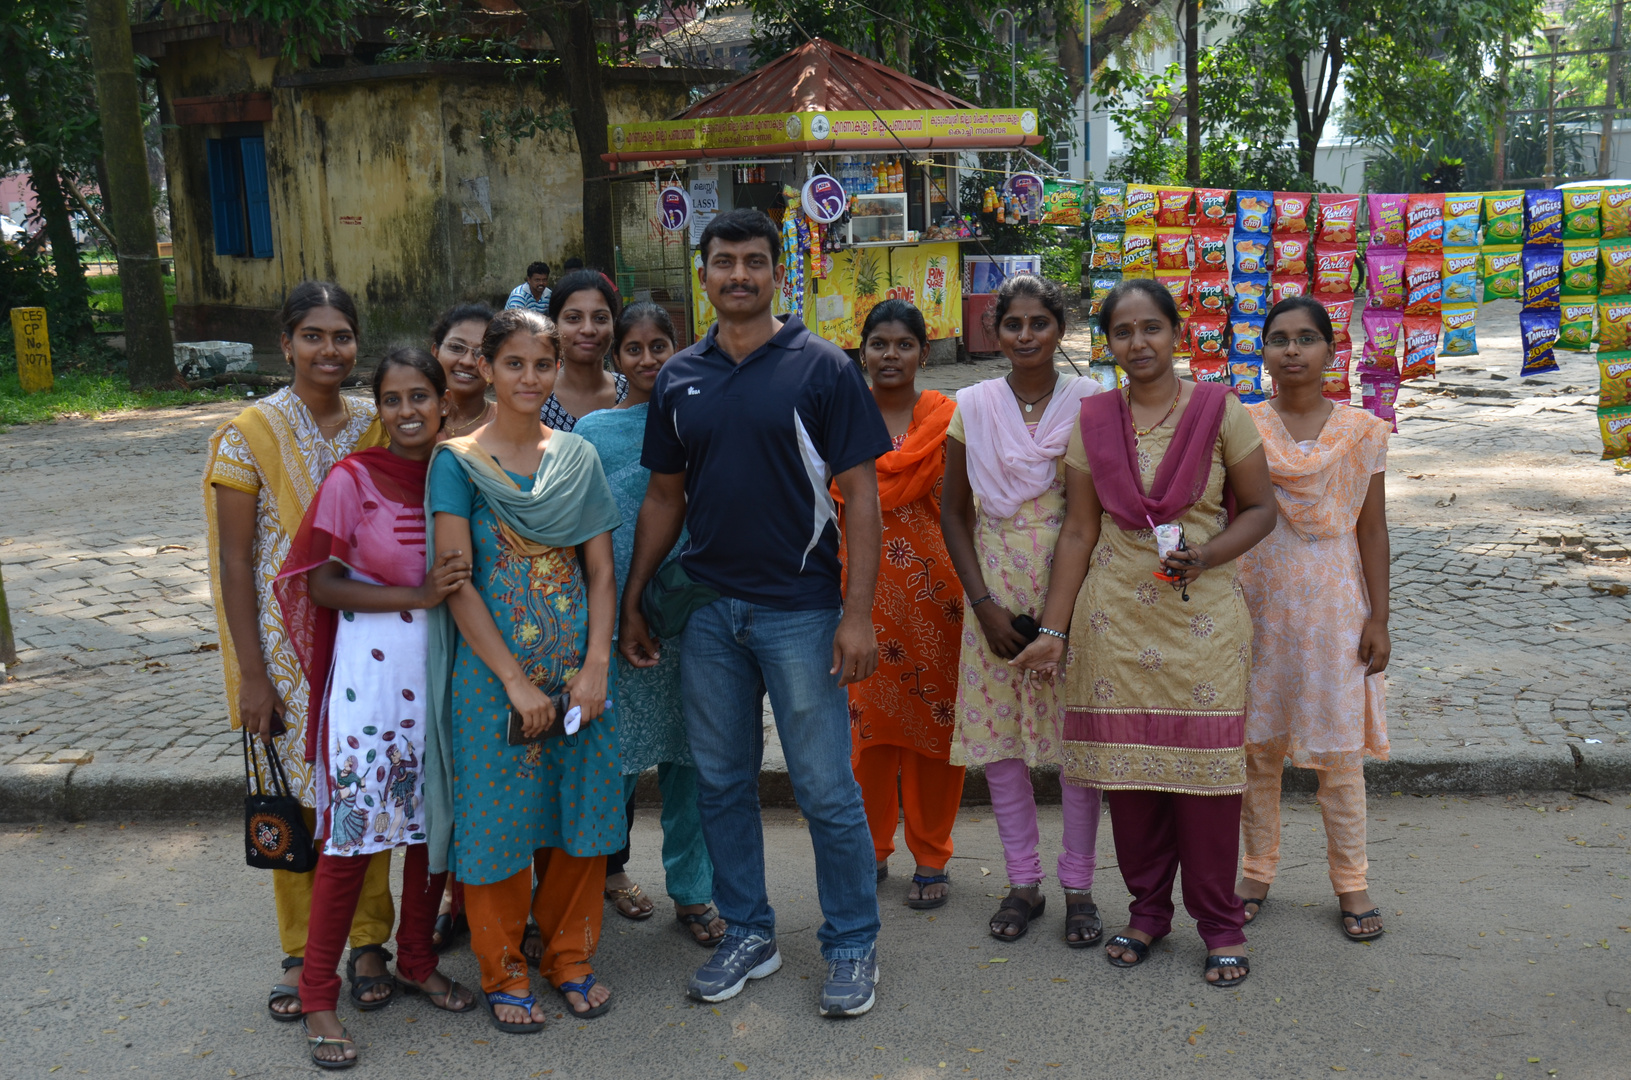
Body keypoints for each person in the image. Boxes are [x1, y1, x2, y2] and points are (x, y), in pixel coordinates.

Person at [618, 208, 890, 1017]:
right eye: (723, 262)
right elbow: (665, 497)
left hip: (801, 612)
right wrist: (635, 599)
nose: (738, 275)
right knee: (722, 784)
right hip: (706, 613)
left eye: (753, 262)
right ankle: (748, 931)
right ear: (702, 274)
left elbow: (862, 499)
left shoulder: (821, 367)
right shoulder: (679, 377)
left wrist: (858, 614)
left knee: (823, 788)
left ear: (777, 273)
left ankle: (850, 943)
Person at [1012, 277, 1277, 987]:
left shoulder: (1222, 411)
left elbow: (1258, 510)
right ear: (1109, 343)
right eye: (1123, 332)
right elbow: (1077, 529)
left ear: (1175, 332)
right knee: (1129, 781)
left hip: (1204, 619)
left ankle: (1219, 924)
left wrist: (1209, 553)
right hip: (1114, 621)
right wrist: (1054, 629)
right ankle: (1147, 914)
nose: (1138, 343)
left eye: (1150, 328)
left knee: (1208, 785)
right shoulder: (1094, 420)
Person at [422, 307, 626, 1032]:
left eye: (542, 365)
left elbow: (599, 572)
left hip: (578, 672)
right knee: (499, 825)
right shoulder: (458, 461)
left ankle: (569, 959)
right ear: (486, 368)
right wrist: (513, 680)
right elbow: (455, 580)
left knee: (581, 817)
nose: (530, 378)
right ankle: (504, 970)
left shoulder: (576, 458)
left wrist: (596, 664)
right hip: (491, 679)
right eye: (514, 364)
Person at [274, 349, 477, 1067]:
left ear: (443, 400)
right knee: (351, 841)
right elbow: (320, 584)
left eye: (419, 395)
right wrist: (415, 595)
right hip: (371, 685)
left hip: (445, 675)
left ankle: (416, 960)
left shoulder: (458, 475)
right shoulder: (351, 478)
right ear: (378, 409)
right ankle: (319, 992)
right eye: (391, 400)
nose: (407, 412)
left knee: (431, 827)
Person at [205, 282, 398, 1024]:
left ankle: (369, 940)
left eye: (342, 336)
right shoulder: (246, 434)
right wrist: (253, 674)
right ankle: (298, 949)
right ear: (285, 344)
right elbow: (232, 562)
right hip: (285, 654)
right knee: (296, 800)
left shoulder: (375, 427)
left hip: (365, 641)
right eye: (313, 336)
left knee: (368, 789)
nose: (329, 350)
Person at [939, 274, 1106, 948]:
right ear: (995, 331)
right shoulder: (970, 405)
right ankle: (1022, 883)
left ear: (1058, 328)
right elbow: (953, 512)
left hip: (1069, 593)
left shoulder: (1090, 404)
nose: (1027, 335)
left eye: (1040, 323)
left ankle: (1077, 887)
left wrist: (1059, 617)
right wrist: (982, 606)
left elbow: (1089, 517)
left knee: (1076, 750)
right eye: (1014, 324)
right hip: (992, 595)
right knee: (1002, 750)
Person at [1233, 296, 1392, 942]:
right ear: (1263, 351)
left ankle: (1351, 882)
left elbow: (1373, 530)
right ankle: (1253, 870)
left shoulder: (1361, 432)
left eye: (1306, 339)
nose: (1292, 351)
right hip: (1256, 600)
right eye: (1278, 339)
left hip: (1333, 606)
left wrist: (1378, 617)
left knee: (1337, 755)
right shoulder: (1239, 427)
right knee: (1255, 749)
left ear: (1331, 350)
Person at [575, 302, 725, 947]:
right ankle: (593, 884)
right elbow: (577, 527)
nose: (647, 359)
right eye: (632, 349)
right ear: (616, 360)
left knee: (693, 765)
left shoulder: (705, 416)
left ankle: (692, 893)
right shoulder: (591, 431)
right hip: (613, 616)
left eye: (659, 345)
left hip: (694, 616)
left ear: (679, 348)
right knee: (606, 762)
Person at [838, 299, 965, 911]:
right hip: (859, 602)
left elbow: (973, 506)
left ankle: (932, 853)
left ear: (923, 351)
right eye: (880, 343)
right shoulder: (838, 418)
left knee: (935, 732)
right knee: (868, 734)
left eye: (903, 344)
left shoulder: (948, 420)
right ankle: (872, 849)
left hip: (940, 604)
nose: (891, 355)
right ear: (862, 350)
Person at [540, 269, 628, 433]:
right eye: (573, 318)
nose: (588, 329)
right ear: (554, 325)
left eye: (600, 318)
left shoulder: (631, 393)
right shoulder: (538, 397)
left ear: (613, 326)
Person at [432, 301, 496, 441]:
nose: (467, 362)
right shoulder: (411, 415)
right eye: (456, 347)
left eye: (481, 353)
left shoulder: (509, 425)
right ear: (436, 353)